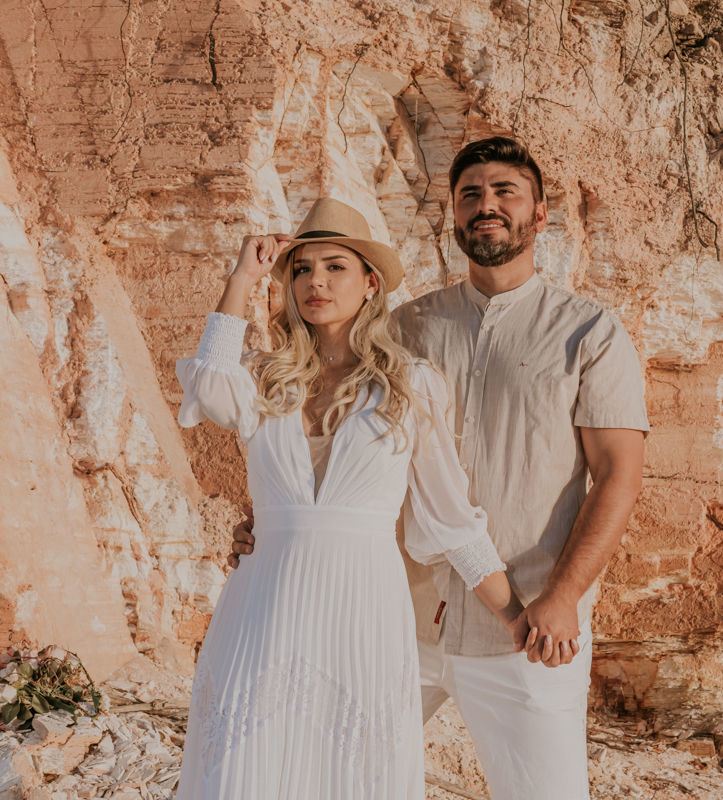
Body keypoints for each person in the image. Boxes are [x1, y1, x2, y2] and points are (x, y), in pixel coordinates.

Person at [232, 137, 649, 799]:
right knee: (339, 781)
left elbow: (619, 475)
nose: (486, 205)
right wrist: (271, 519)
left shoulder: (588, 334)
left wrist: (564, 597)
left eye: (504, 192)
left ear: (540, 215)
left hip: (525, 625)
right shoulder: (402, 328)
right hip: (395, 619)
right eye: (470, 194)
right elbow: (324, 425)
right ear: (454, 217)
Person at [174, 198, 530, 799]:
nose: (315, 281)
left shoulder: (410, 386)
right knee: (244, 762)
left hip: (361, 603)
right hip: (264, 602)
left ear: (370, 283)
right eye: (303, 268)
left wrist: (518, 619)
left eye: (335, 267)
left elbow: (452, 522)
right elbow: (210, 384)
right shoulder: (263, 378)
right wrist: (242, 278)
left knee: (348, 768)